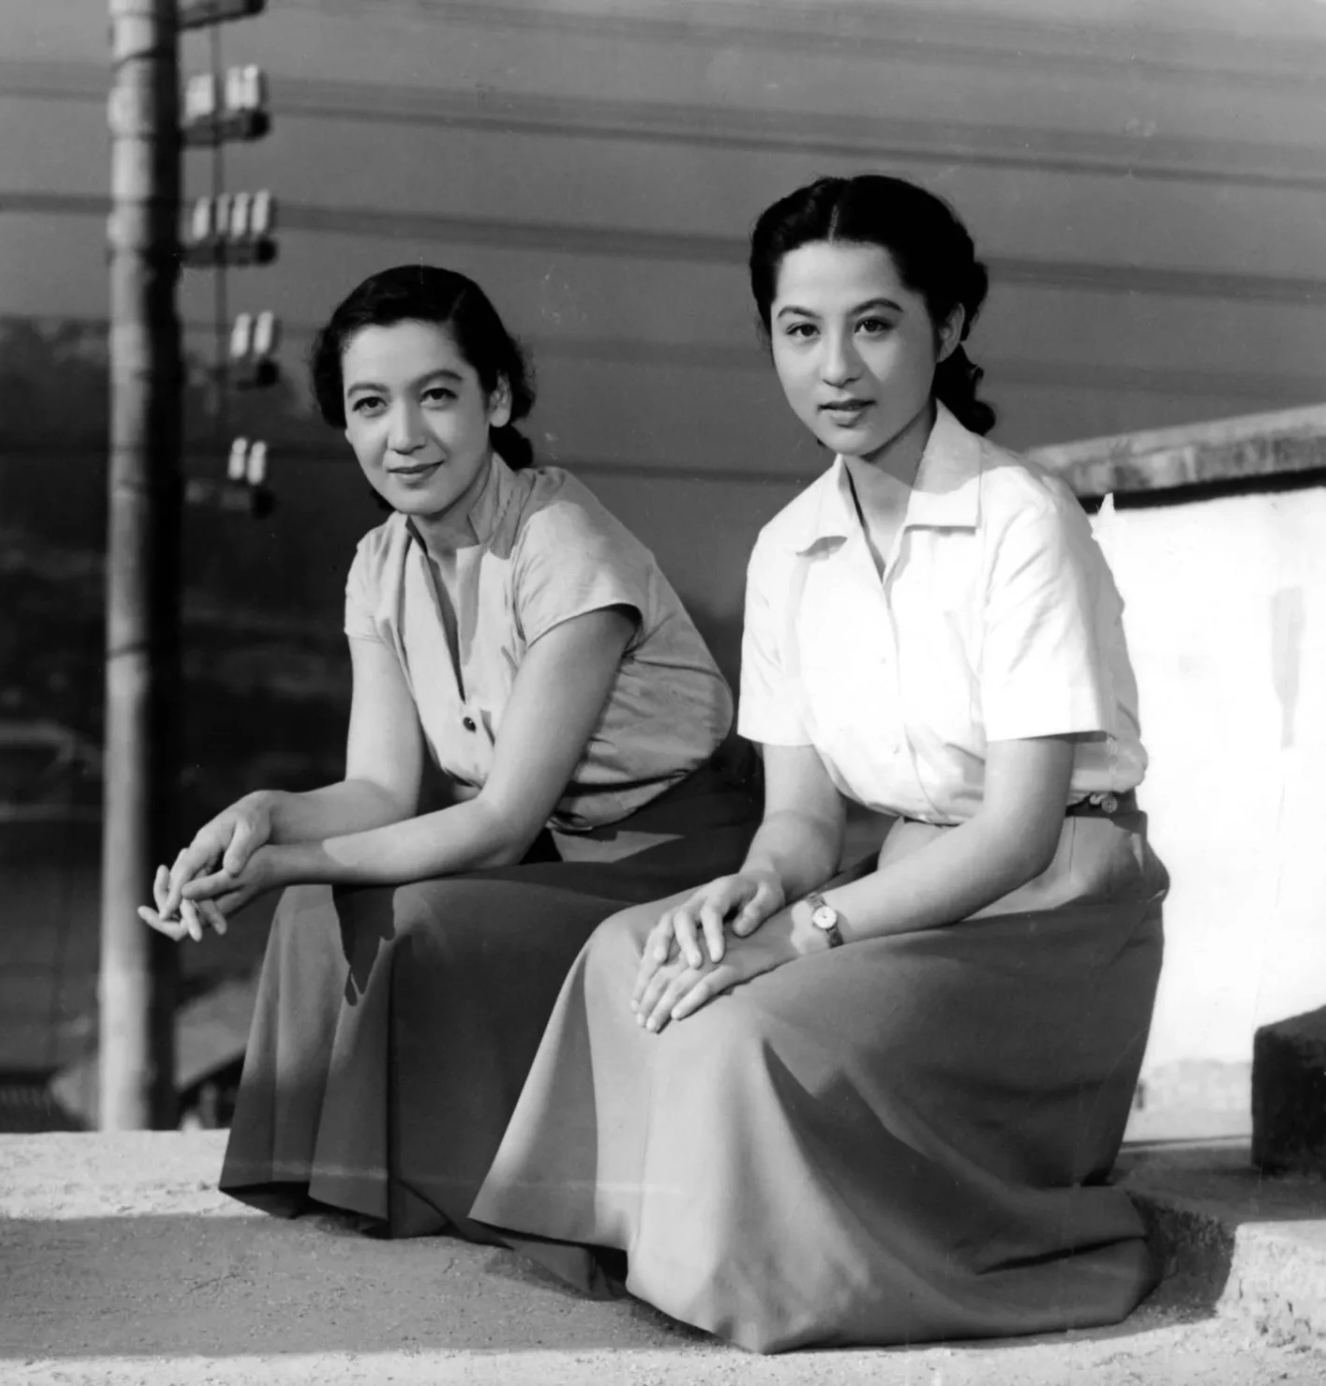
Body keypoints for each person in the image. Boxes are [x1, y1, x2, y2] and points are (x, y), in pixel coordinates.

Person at [472, 175, 1167, 1351]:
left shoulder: (1021, 518)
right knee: (624, 954)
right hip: (903, 886)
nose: (835, 366)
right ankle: (648, 1243)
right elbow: (800, 819)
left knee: (750, 1024)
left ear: (946, 330)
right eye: (800, 331)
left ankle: (781, 1277)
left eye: (874, 324)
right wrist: (756, 890)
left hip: (1049, 921)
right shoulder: (787, 547)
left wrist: (810, 933)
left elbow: (1017, 836)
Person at [139, 264, 756, 1241]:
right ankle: (333, 1185)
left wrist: (282, 863)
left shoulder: (565, 548)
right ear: (343, 424)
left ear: (496, 398)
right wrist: (263, 820)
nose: (404, 436)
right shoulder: (378, 564)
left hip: (679, 856)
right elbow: (382, 788)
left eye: (437, 395)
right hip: (558, 853)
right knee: (311, 913)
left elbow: (502, 826)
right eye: (370, 404)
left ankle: (437, 1194)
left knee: (417, 921)